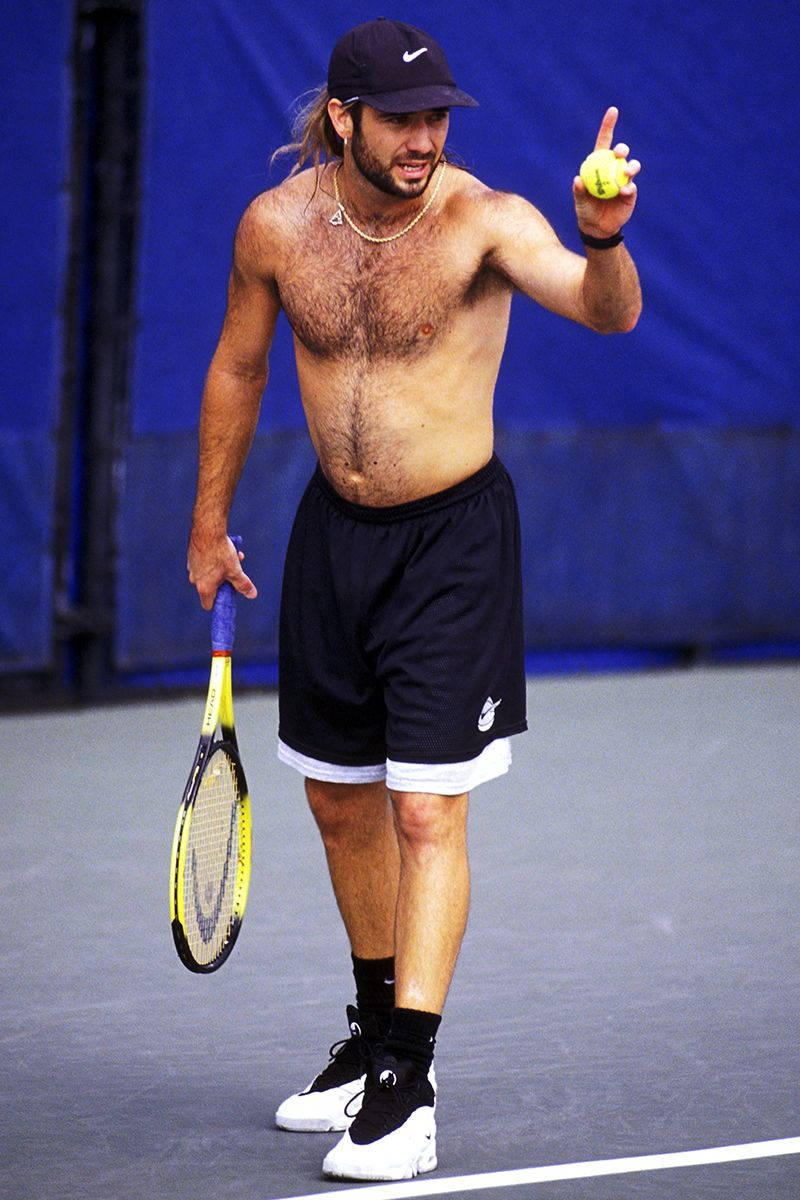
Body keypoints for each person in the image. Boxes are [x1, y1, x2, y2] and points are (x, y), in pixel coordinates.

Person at [187, 16, 641, 1184]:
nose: (423, 139)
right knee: (340, 806)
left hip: (451, 550)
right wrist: (205, 520)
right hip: (330, 541)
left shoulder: (483, 222)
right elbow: (238, 365)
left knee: (427, 812)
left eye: (437, 117)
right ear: (343, 117)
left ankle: (408, 1081)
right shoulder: (276, 227)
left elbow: (605, 312)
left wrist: (601, 241)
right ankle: (371, 1031)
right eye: (400, 118)